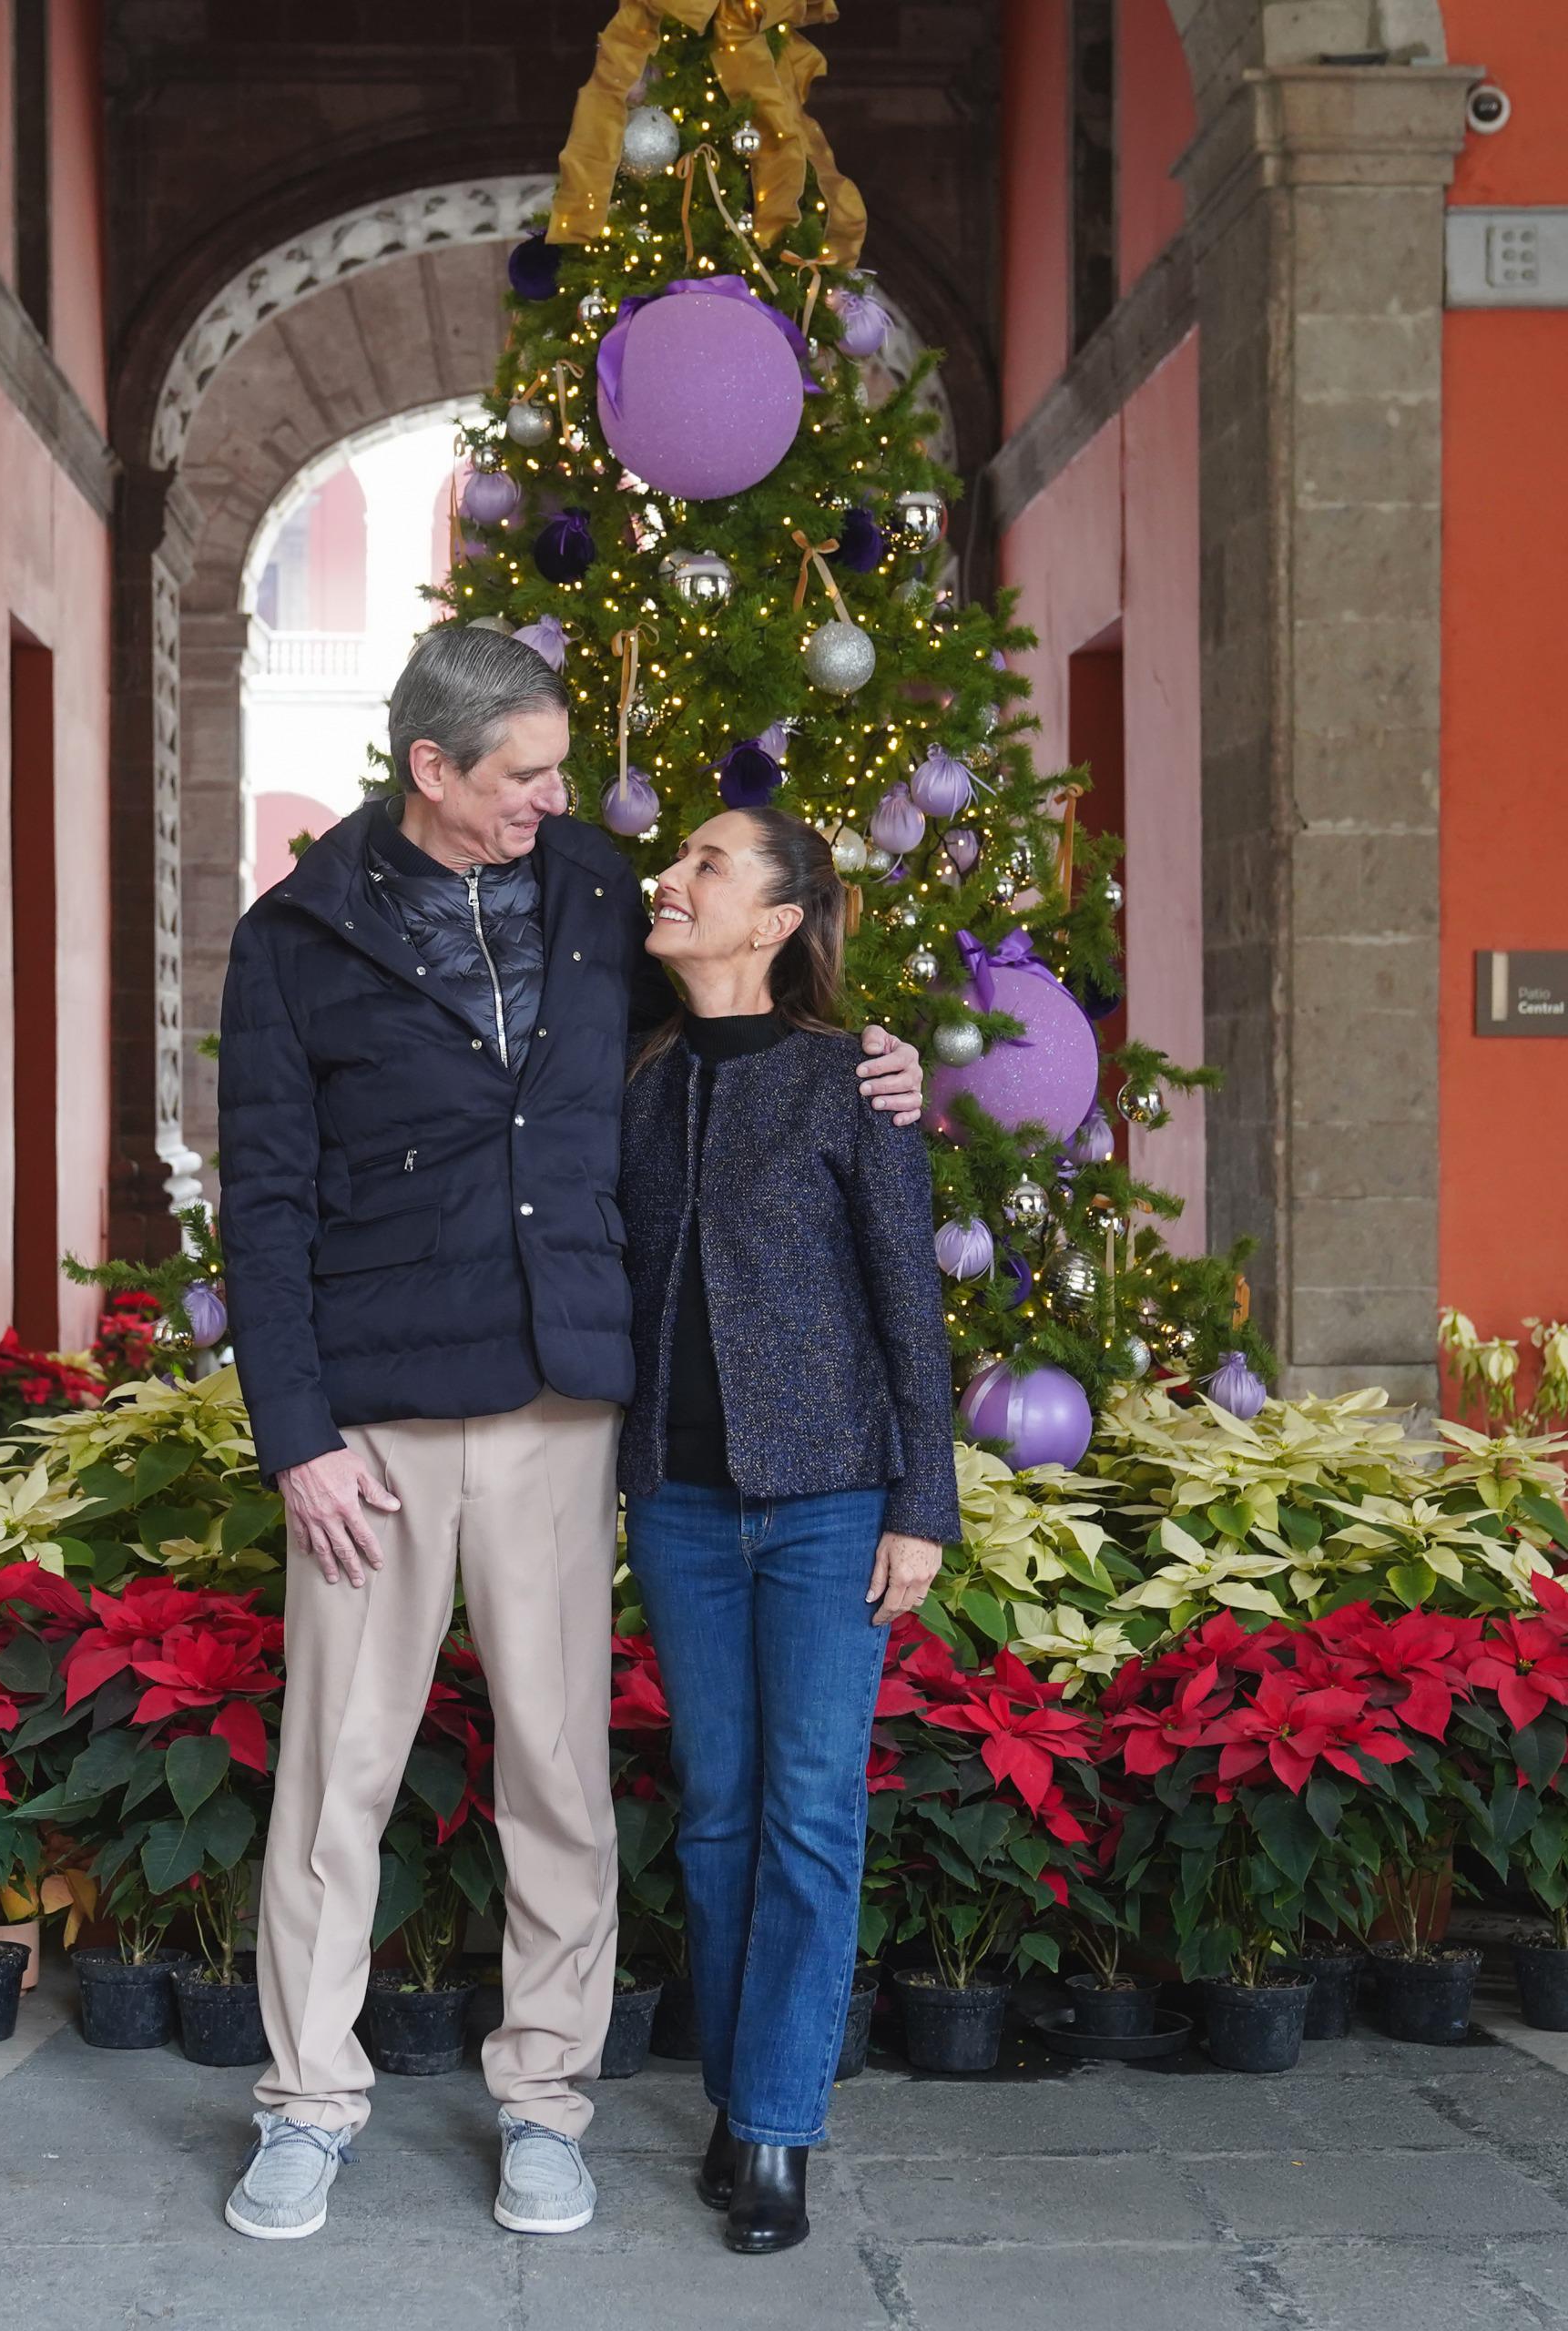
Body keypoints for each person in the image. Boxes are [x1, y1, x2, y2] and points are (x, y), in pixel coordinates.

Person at [214, 626, 923, 2243]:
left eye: (554, 771)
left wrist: (869, 1062)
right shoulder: (296, 939)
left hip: (557, 1404)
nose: (558, 799)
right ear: (434, 772)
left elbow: (742, 1032)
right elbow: (259, 1207)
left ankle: (546, 2099)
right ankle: (309, 2104)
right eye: (523, 774)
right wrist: (298, 1439)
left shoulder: (604, 895)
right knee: (339, 1776)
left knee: (557, 1773)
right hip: (369, 1424)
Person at [617, 805, 962, 2256]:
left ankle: (774, 2130)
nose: (672, 877)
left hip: (828, 1503)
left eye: (705, 864)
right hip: (683, 1505)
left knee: (810, 1819)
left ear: (773, 920)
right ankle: (748, 2084)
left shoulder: (849, 1084)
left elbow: (909, 1299)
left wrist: (922, 1505)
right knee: (715, 1817)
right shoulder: (631, 1078)